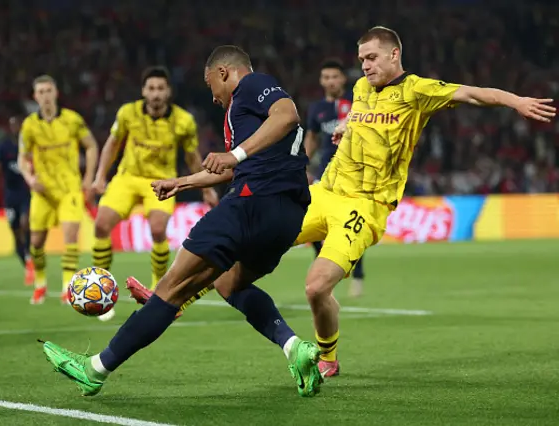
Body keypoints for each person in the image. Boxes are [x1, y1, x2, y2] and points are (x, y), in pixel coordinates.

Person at [125, 26, 556, 380]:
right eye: (362, 59)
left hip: (365, 206)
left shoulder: (418, 90)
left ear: (394, 55)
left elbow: (473, 93)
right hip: (324, 193)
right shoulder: (361, 90)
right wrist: (348, 129)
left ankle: (327, 354)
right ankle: (175, 299)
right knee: (243, 238)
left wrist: (515, 100)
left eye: (371, 57)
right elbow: (363, 119)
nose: (365, 65)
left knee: (315, 286)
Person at [40, 46, 324, 398]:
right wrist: (183, 182)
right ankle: (294, 347)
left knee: (169, 290)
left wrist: (233, 153)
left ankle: (95, 368)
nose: (214, 97)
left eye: (211, 87)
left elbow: (287, 115)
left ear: (223, 72)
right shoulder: (247, 120)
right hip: (287, 216)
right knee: (228, 284)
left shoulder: (252, 86)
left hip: (250, 204)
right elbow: (236, 167)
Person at [91, 66, 218, 322]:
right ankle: (100, 290)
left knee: (158, 229)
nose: (156, 93)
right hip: (128, 177)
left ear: (168, 91)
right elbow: (112, 145)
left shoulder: (183, 121)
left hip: (161, 180)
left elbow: (192, 157)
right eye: (151, 88)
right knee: (101, 224)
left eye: (161, 88)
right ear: (143, 91)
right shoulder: (128, 113)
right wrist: (100, 176)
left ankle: (157, 291)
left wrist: (206, 188)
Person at [17, 75, 99, 305]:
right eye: (40, 92)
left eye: (48, 90)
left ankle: (67, 287)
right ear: (35, 97)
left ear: (56, 93)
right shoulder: (29, 125)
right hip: (42, 191)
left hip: (69, 188)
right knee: (36, 242)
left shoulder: (72, 120)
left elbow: (91, 145)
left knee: (71, 236)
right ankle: (41, 284)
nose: (45, 95)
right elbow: (22, 158)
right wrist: (30, 178)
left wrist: (89, 176)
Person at [304, 59, 365, 299]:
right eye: (326, 77)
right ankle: (324, 273)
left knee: (350, 226)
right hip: (325, 175)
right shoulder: (316, 108)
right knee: (318, 228)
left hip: (354, 174)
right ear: (321, 81)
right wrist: (304, 166)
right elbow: (311, 137)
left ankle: (357, 274)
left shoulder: (356, 103)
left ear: (342, 79)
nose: (330, 81)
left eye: (334, 77)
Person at [0, 115, 34, 285]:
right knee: (15, 233)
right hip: (10, 195)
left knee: (25, 222)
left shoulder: (29, 146)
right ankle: (27, 265)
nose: (15, 128)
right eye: (12, 125)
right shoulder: (3, 147)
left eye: (17, 124)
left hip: (26, 192)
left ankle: (30, 256)